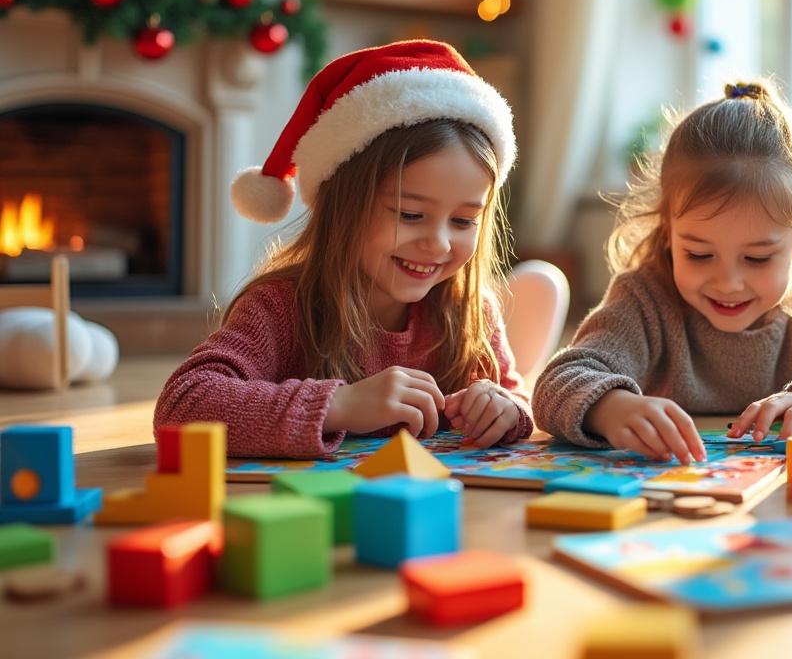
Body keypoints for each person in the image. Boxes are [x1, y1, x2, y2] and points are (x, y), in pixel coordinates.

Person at [156, 40, 566, 457]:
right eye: (409, 214)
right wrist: (340, 405)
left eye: (463, 221)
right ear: (343, 208)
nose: (438, 243)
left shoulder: (470, 310)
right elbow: (183, 405)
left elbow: (516, 396)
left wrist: (504, 410)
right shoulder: (281, 307)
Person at [533, 80, 792, 464]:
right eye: (699, 254)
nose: (728, 283)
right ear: (669, 236)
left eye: (756, 259)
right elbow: (555, 382)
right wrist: (613, 408)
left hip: (783, 513)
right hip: (668, 506)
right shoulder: (644, 301)